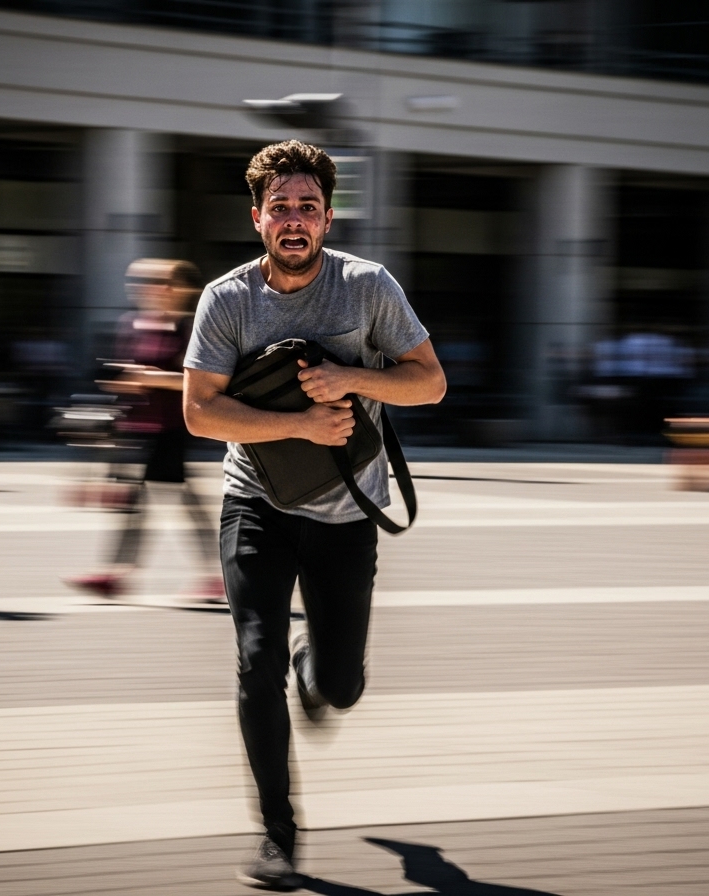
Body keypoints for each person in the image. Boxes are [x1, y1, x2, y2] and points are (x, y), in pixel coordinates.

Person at [183, 141, 446, 889]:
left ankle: (316, 670)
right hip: (255, 504)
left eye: (307, 207)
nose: (293, 221)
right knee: (251, 658)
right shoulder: (227, 298)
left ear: (328, 216)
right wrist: (302, 423)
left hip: (345, 512)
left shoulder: (367, 287)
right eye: (280, 208)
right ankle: (278, 834)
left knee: (341, 686)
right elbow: (200, 414)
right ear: (256, 217)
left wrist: (349, 378)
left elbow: (428, 384)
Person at [64, 258, 223, 602]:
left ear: (181, 290)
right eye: (144, 281)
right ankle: (209, 575)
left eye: (160, 282)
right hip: (137, 427)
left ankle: (119, 574)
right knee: (164, 501)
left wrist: (151, 378)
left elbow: (201, 380)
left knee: (156, 502)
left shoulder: (190, 327)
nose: (150, 288)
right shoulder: (132, 324)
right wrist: (123, 382)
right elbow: (123, 372)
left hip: (172, 427)